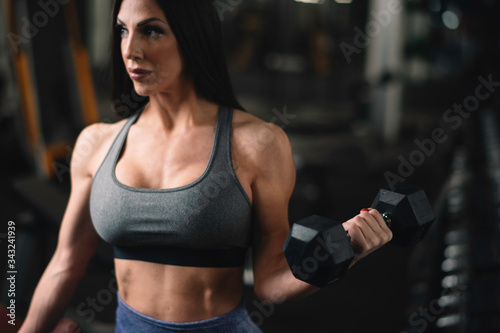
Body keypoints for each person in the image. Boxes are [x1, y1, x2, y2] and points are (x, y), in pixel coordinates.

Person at [19, 0, 393, 332]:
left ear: (192, 37)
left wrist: (345, 252)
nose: (130, 50)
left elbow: (270, 283)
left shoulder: (258, 144)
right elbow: (65, 264)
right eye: (122, 30)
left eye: (151, 30)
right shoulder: (97, 143)